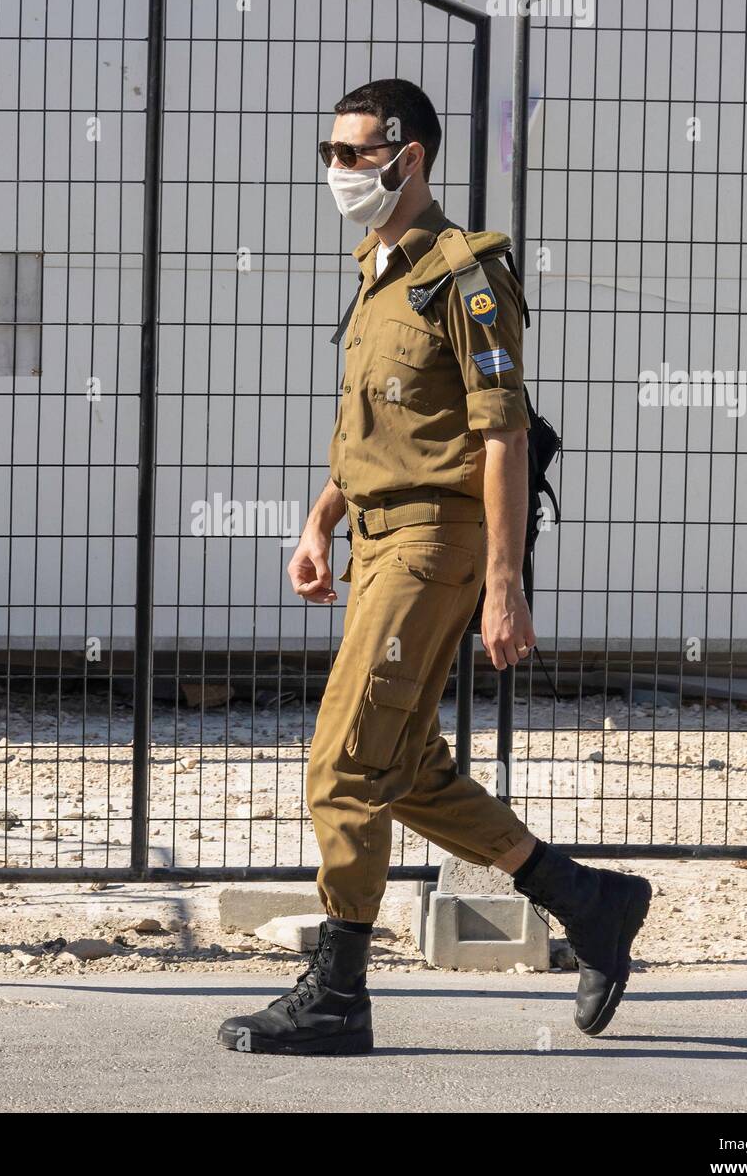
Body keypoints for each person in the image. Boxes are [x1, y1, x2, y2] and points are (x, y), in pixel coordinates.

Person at [218, 78, 651, 1056]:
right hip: (377, 541)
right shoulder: (378, 274)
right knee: (403, 766)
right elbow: (374, 428)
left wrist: (505, 582)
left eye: (351, 152)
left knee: (342, 761)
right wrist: (318, 520)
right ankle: (587, 900)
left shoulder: (465, 276)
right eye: (329, 151)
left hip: (434, 548)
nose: (335, 170)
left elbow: (499, 438)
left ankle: (336, 993)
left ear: (407, 157)